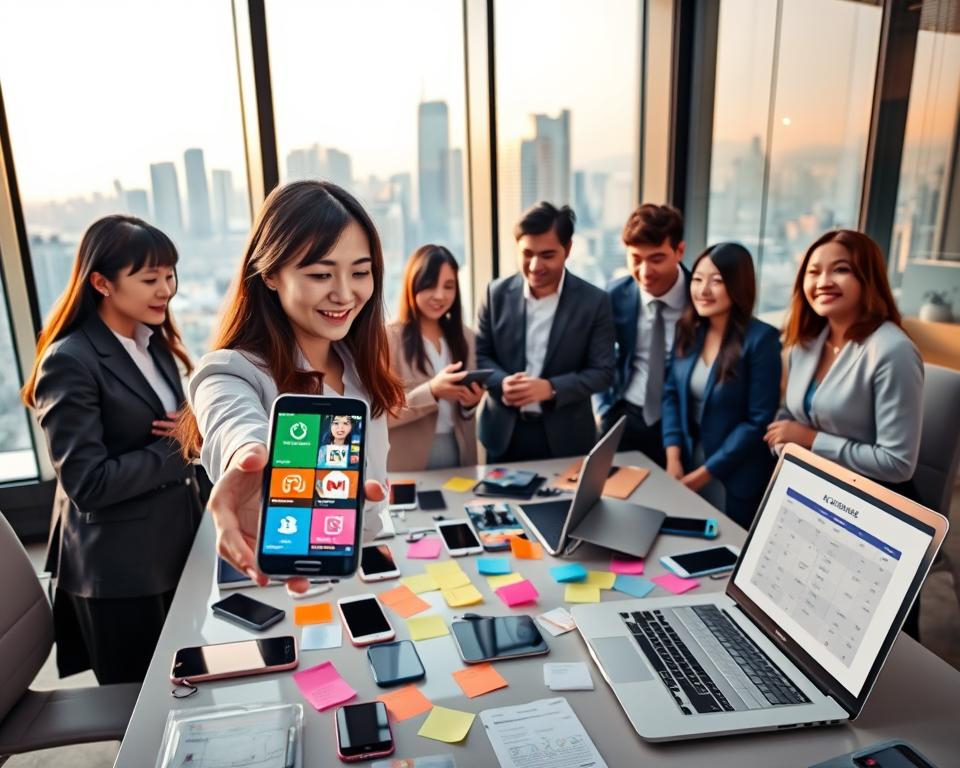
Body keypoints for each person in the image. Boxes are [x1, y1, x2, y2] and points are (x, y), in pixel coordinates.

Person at [180, 181, 405, 591]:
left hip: (360, 570)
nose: (344, 293)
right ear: (269, 274)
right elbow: (230, 418)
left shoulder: (359, 363)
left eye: (360, 272)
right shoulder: (233, 370)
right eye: (320, 273)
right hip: (281, 585)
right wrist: (245, 457)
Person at [22, 215, 202, 684]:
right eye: (149, 279)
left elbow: (175, 428)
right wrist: (178, 448)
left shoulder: (152, 341)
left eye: (169, 275)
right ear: (101, 282)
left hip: (175, 544)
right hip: (122, 571)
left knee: (187, 685)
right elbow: (88, 483)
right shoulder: (69, 361)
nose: (166, 289)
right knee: (139, 711)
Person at [764, 229, 923, 636]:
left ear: (868, 278)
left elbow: (898, 463)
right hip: (815, 499)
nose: (823, 281)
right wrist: (788, 440)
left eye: (841, 270)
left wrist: (810, 440)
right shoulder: (805, 342)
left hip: (875, 516)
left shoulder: (892, 350)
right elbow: (791, 413)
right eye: (813, 271)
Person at [475, 202, 615, 461]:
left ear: (568, 249)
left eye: (547, 255)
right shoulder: (494, 294)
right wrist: (501, 382)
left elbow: (603, 372)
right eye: (527, 253)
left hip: (567, 437)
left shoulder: (595, 302)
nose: (535, 265)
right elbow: (479, 356)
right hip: (503, 435)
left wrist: (551, 388)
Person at [661, 243, 781, 529]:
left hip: (735, 474)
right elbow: (671, 396)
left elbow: (758, 420)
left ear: (738, 285)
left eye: (716, 281)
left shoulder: (762, 340)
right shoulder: (688, 329)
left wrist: (705, 474)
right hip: (687, 463)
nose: (703, 290)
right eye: (698, 279)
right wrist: (673, 457)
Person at [597, 204, 691, 467]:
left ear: (679, 251)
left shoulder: (700, 301)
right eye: (636, 259)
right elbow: (594, 356)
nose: (645, 271)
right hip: (623, 414)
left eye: (657, 259)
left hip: (682, 425)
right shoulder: (613, 296)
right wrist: (603, 409)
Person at [386, 244, 483, 471]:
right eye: (430, 285)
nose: (440, 295)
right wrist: (431, 392)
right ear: (413, 284)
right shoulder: (388, 337)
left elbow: (465, 411)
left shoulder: (466, 337)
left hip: (459, 452)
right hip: (407, 456)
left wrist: (470, 403)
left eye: (449, 286)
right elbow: (381, 414)